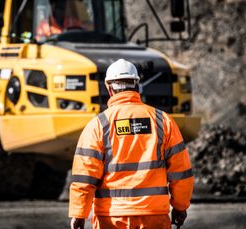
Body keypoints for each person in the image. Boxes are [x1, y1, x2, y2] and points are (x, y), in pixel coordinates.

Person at [69, 59, 194, 229]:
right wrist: (180, 207)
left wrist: (79, 213)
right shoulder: (162, 121)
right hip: (153, 215)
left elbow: (84, 176)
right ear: (137, 84)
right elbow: (181, 172)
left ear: (109, 87)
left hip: (112, 218)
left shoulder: (98, 125)